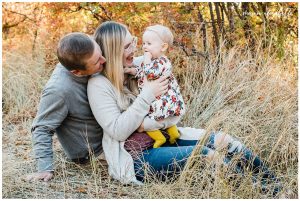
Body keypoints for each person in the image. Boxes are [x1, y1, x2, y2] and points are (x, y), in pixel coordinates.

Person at [88, 21, 282, 197]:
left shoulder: (139, 64)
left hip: (166, 135)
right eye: (128, 46)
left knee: (224, 141)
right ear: (113, 51)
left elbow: (163, 67)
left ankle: (277, 188)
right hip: (136, 157)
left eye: (134, 42)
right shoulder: (99, 85)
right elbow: (118, 130)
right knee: (204, 155)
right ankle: (258, 192)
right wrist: (147, 93)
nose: (136, 48)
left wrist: (144, 120)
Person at [27, 32, 107, 182]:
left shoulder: (85, 51)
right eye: (97, 62)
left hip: (114, 136)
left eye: (100, 54)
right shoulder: (59, 90)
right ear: (76, 72)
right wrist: (44, 168)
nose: (104, 60)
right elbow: (41, 128)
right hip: (96, 154)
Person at [125, 24, 185, 148]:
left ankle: (160, 138)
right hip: (158, 100)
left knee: (147, 123)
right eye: (144, 43)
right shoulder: (153, 61)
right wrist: (132, 71)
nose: (145, 47)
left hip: (163, 101)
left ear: (163, 47)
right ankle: (173, 134)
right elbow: (143, 73)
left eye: (149, 44)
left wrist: (146, 60)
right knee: (161, 120)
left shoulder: (162, 62)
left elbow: (150, 73)